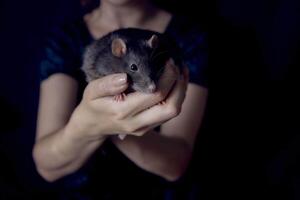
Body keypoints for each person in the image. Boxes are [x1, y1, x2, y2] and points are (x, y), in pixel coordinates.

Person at [32, 0, 208, 198]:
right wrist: (92, 124)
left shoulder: (188, 38)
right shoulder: (66, 40)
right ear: (117, 50)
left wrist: (117, 123)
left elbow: (176, 166)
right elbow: (46, 166)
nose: (150, 86)